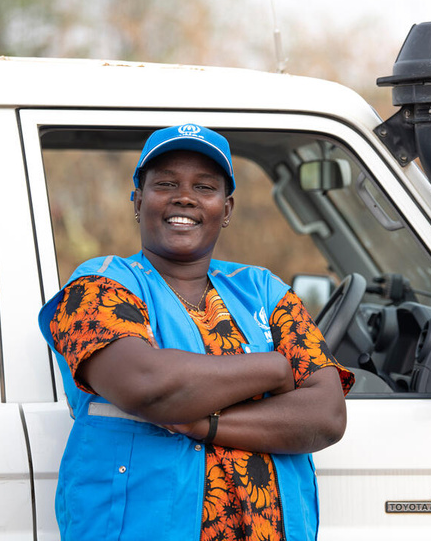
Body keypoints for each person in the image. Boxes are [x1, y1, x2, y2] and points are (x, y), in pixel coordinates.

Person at [38, 123, 354, 541]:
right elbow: (147, 384)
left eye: (204, 187)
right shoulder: (99, 285)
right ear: (138, 201)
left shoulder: (263, 291)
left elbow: (326, 415)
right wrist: (277, 370)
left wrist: (202, 423)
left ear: (226, 209)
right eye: (165, 183)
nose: (183, 196)